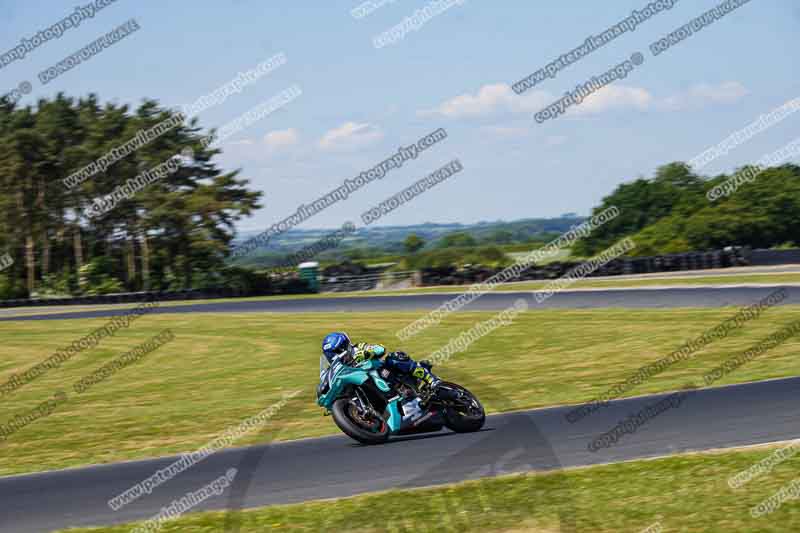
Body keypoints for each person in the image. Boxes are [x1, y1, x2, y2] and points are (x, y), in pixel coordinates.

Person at [321, 332, 440, 392]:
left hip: (387, 375)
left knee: (395, 357)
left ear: (344, 346)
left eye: (337, 351)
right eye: (331, 354)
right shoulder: (336, 370)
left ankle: (431, 379)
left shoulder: (358, 348)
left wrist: (367, 353)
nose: (335, 356)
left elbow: (380, 348)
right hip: (371, 388)